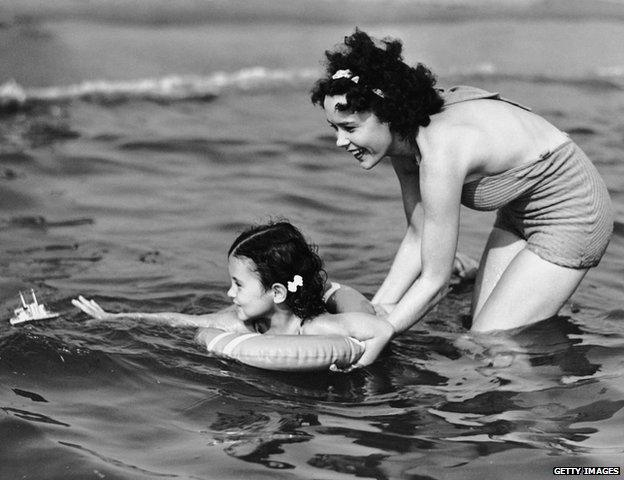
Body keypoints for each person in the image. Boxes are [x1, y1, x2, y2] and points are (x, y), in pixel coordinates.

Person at [310, 29, 613, 334]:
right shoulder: (403, 143)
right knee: (478, 326)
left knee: (490, 341)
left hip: (575, 212)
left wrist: (381, 332)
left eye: (349, 127)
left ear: (386, 112)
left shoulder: (439, 150)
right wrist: (377, 308)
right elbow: (419, 233)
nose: (339, 141)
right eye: (334, 128)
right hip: (518, 213)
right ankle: (516, 288)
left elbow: (435, 282)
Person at [73, 221, 394, 368]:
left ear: (277, 291)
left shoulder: (315, 327)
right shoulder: (242, 324)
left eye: (239, 285)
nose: (230, 293)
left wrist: (359, 367)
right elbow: (180, 321)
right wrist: (115, 317)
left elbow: (382, 329)